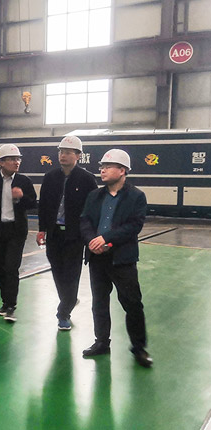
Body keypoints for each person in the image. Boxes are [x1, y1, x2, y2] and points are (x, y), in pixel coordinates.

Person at [80, 149, 153, 368]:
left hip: (122, 259)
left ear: (122, 171)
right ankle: (102, 342)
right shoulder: (94, 196)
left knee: (132, 304)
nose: (102, 170)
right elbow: (85, 221)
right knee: (99, 302)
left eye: (107, 167)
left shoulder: (136, 196)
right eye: (101, 167)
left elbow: (134, 226)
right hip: (97, 258)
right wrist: (92, 241)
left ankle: (139, 348)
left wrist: (106, 239)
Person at [37, 136, 98, 330]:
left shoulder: (87, 179)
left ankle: (63, 313)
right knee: (57, 270)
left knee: (72, 273)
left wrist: (90, 235)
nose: (63, 155)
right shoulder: (50, 177)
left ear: (78, 156)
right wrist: (41, 229)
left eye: (68, 152)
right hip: (54, 233)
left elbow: (92, 209)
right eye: (61, 152)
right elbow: (43, 205)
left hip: (75, 236)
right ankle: (69, 299)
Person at [0, 144, 37, 322]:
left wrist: (21, 197)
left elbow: (33, 204)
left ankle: (11, 305)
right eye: (12, 159)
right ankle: (5, 302)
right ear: (2, 162)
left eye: (18, 159)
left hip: (16, 231)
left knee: (11, 267)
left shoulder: (24, 181)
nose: (16, 162)